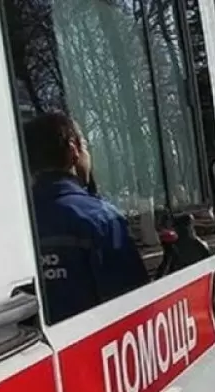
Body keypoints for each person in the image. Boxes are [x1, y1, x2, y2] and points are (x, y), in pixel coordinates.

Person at [23, 112, 147, 323]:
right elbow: (133, 307)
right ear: (74, 150)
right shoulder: (102, 219)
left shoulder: (15, 224)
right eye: (86, 147)